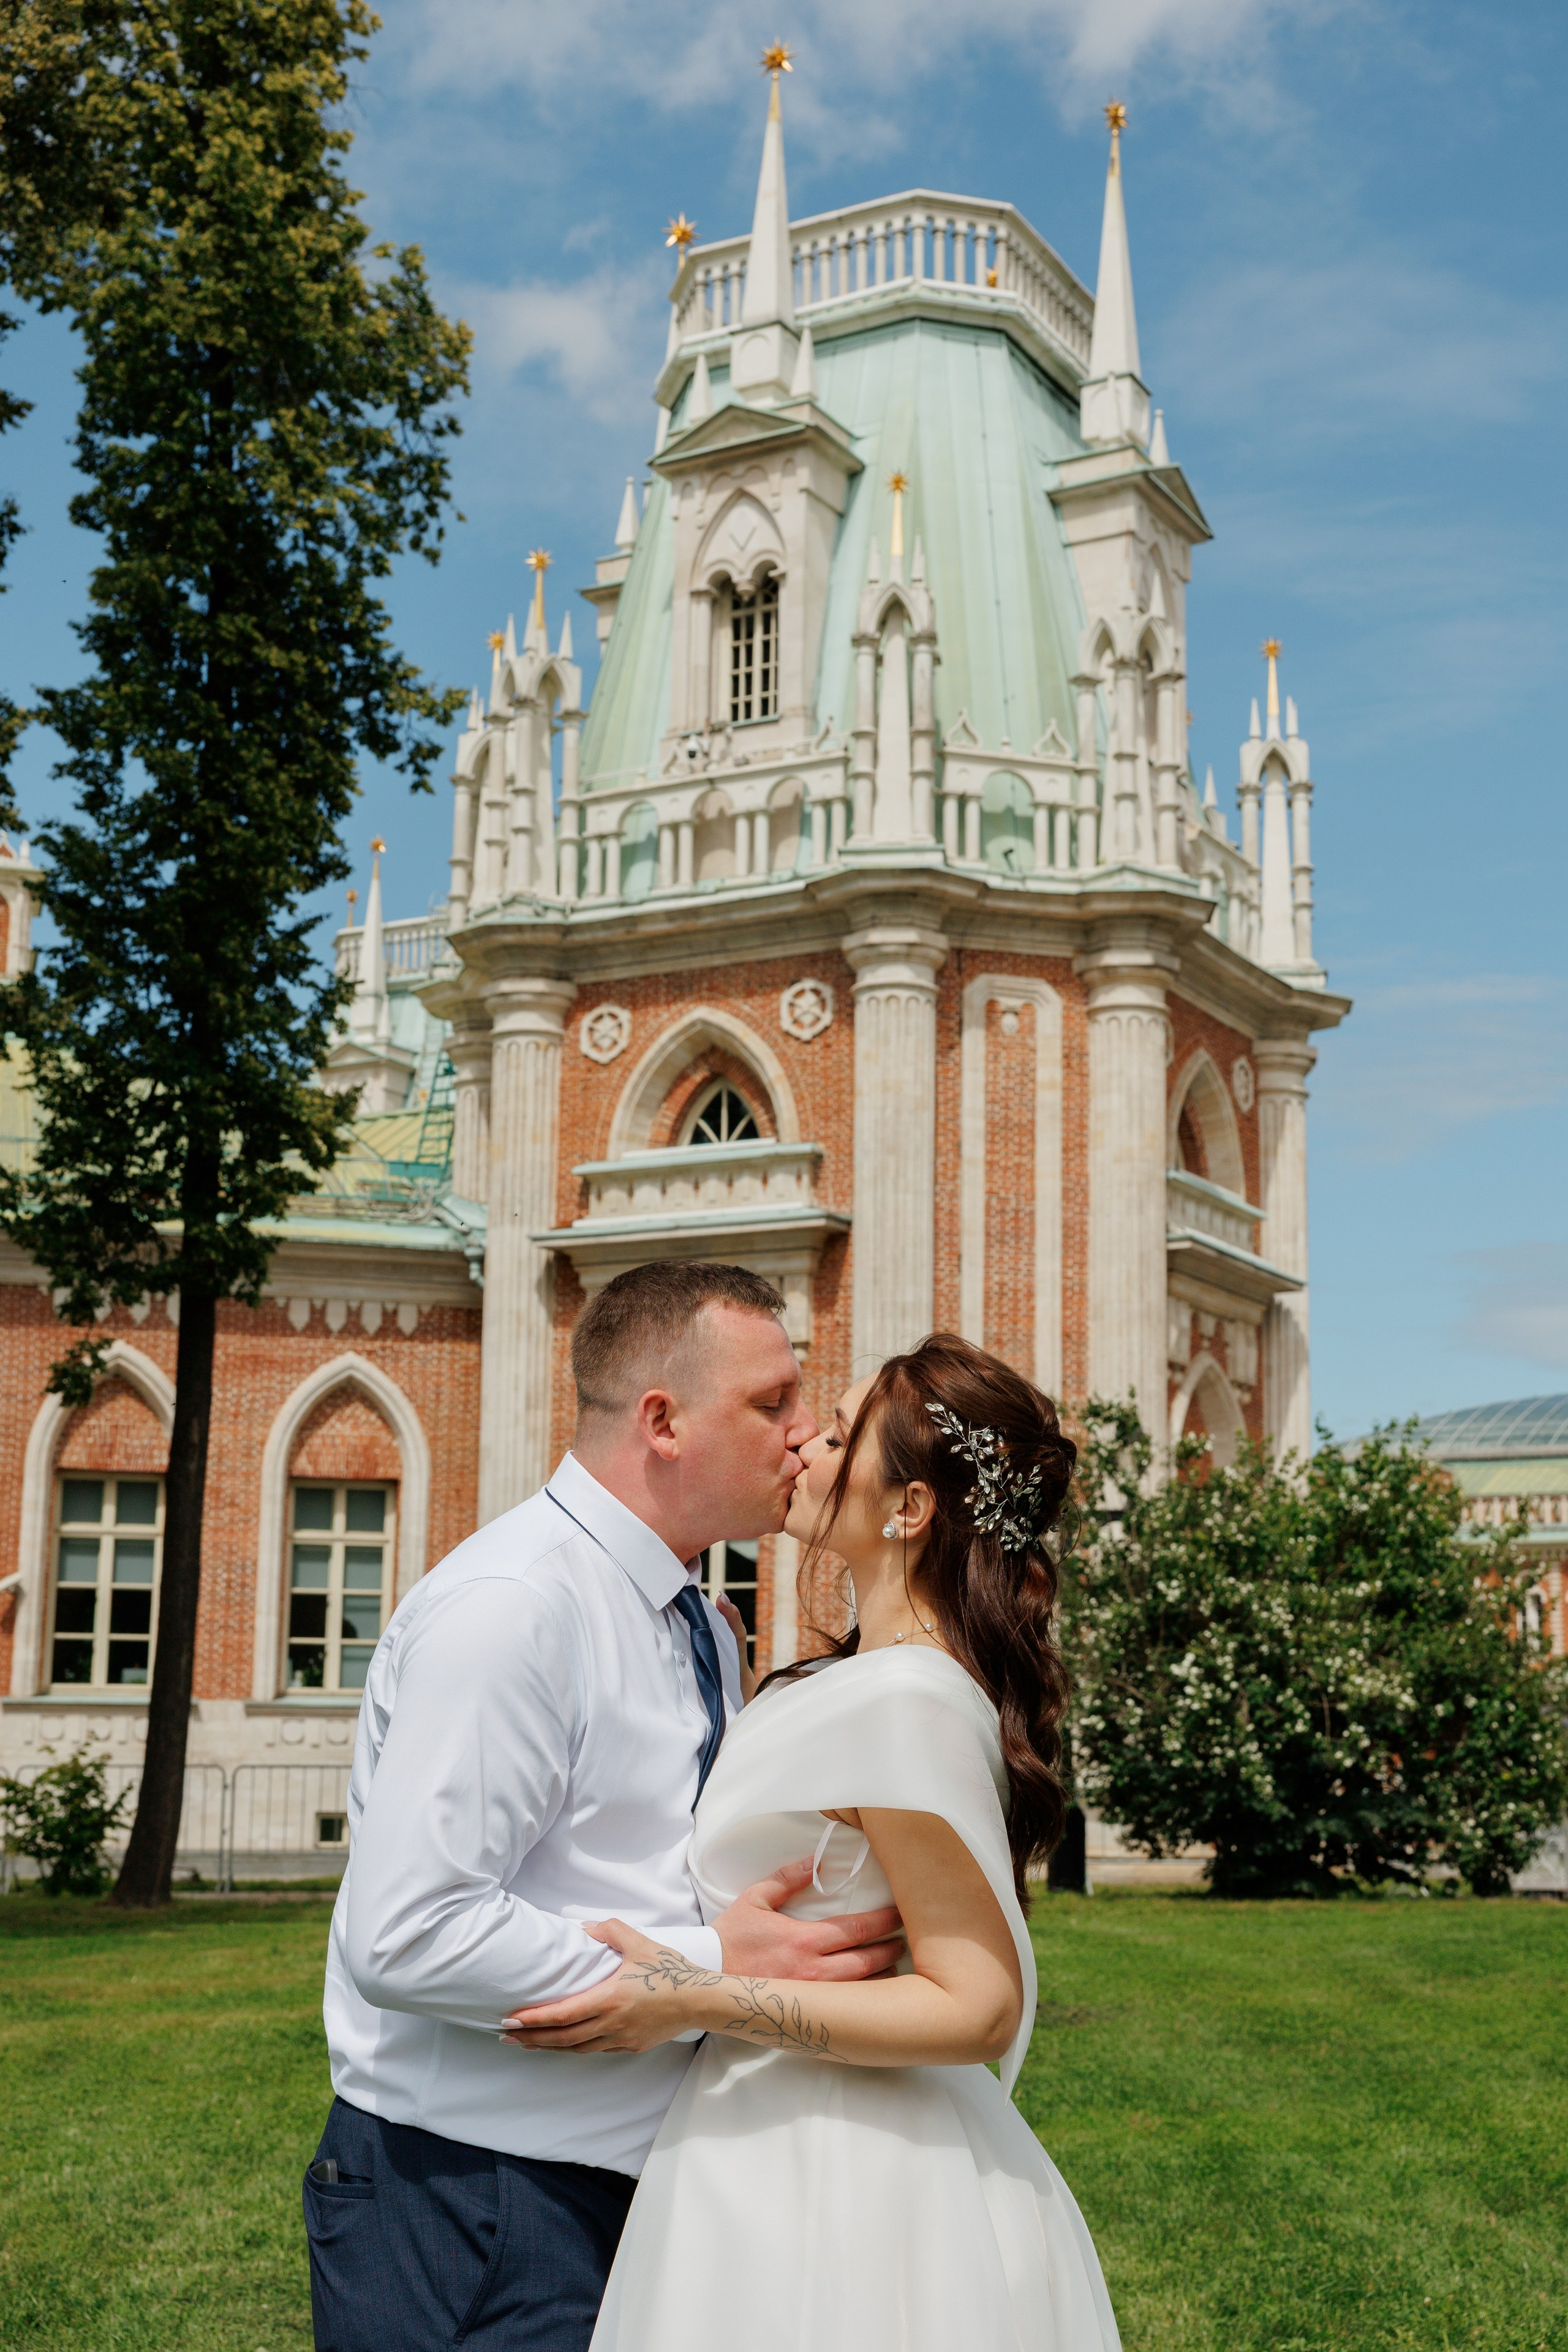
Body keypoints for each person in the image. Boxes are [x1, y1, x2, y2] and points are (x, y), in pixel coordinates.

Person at [305, 1261, 906, 2352]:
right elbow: (407, 1932)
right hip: (474, 2202)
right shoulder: (515, 1609)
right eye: (772, 1402)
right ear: (663, 1421)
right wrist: (710, 1970)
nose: (806, 1432)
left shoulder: (704, 1623)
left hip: (636, 2190)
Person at [506, 1332, 1122, 2352]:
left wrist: (699, 1998)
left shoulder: (910, 1698)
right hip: (750, 2130)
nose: (803, 1447)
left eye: (837, 1436)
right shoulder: (843, 1681)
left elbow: (978, 2005)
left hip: (849, 2164)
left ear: (909, 1509)